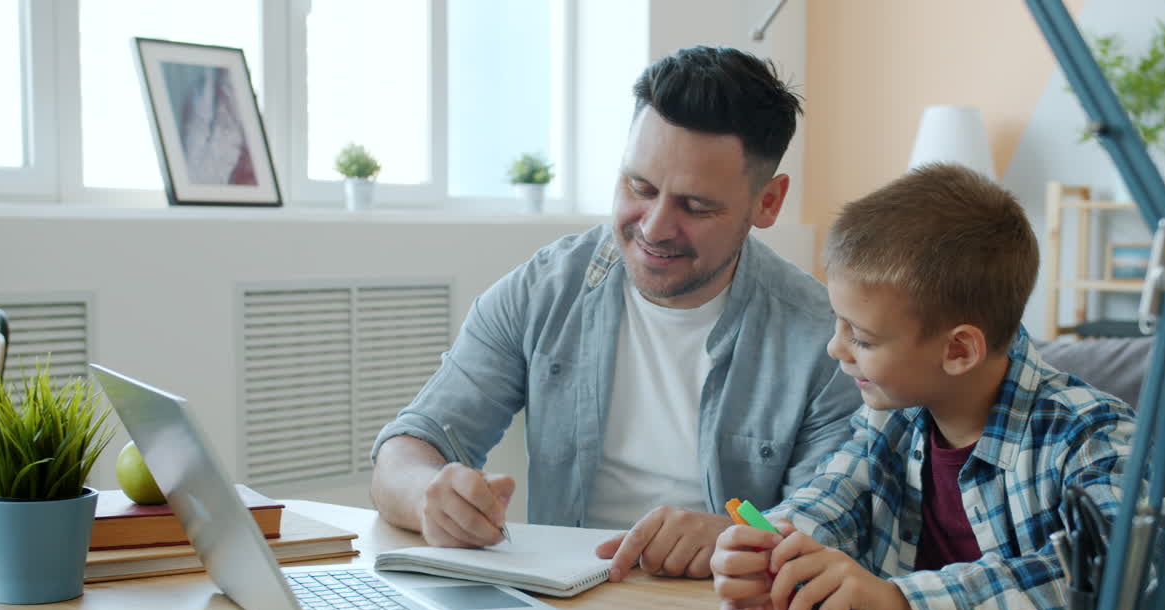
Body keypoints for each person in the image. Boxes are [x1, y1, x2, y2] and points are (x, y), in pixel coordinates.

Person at [369, 45, 861, 581]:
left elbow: (839, 521)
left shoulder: (825, 339)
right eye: (639, 187)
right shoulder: (544, 290)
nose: (653, 227)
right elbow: (408, 447)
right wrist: (428, 497)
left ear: (767, 202)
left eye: (695, 207)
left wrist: (736, 537)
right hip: (559, 604)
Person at [710, 163, 1136, 610]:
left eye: (863, 339)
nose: (836, 348)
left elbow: (1112, 572)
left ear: (958, 350)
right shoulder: (890, 416)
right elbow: (833, 496)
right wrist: (771, 546)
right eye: (839, 321)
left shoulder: (1092, 434)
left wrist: (900, 601)